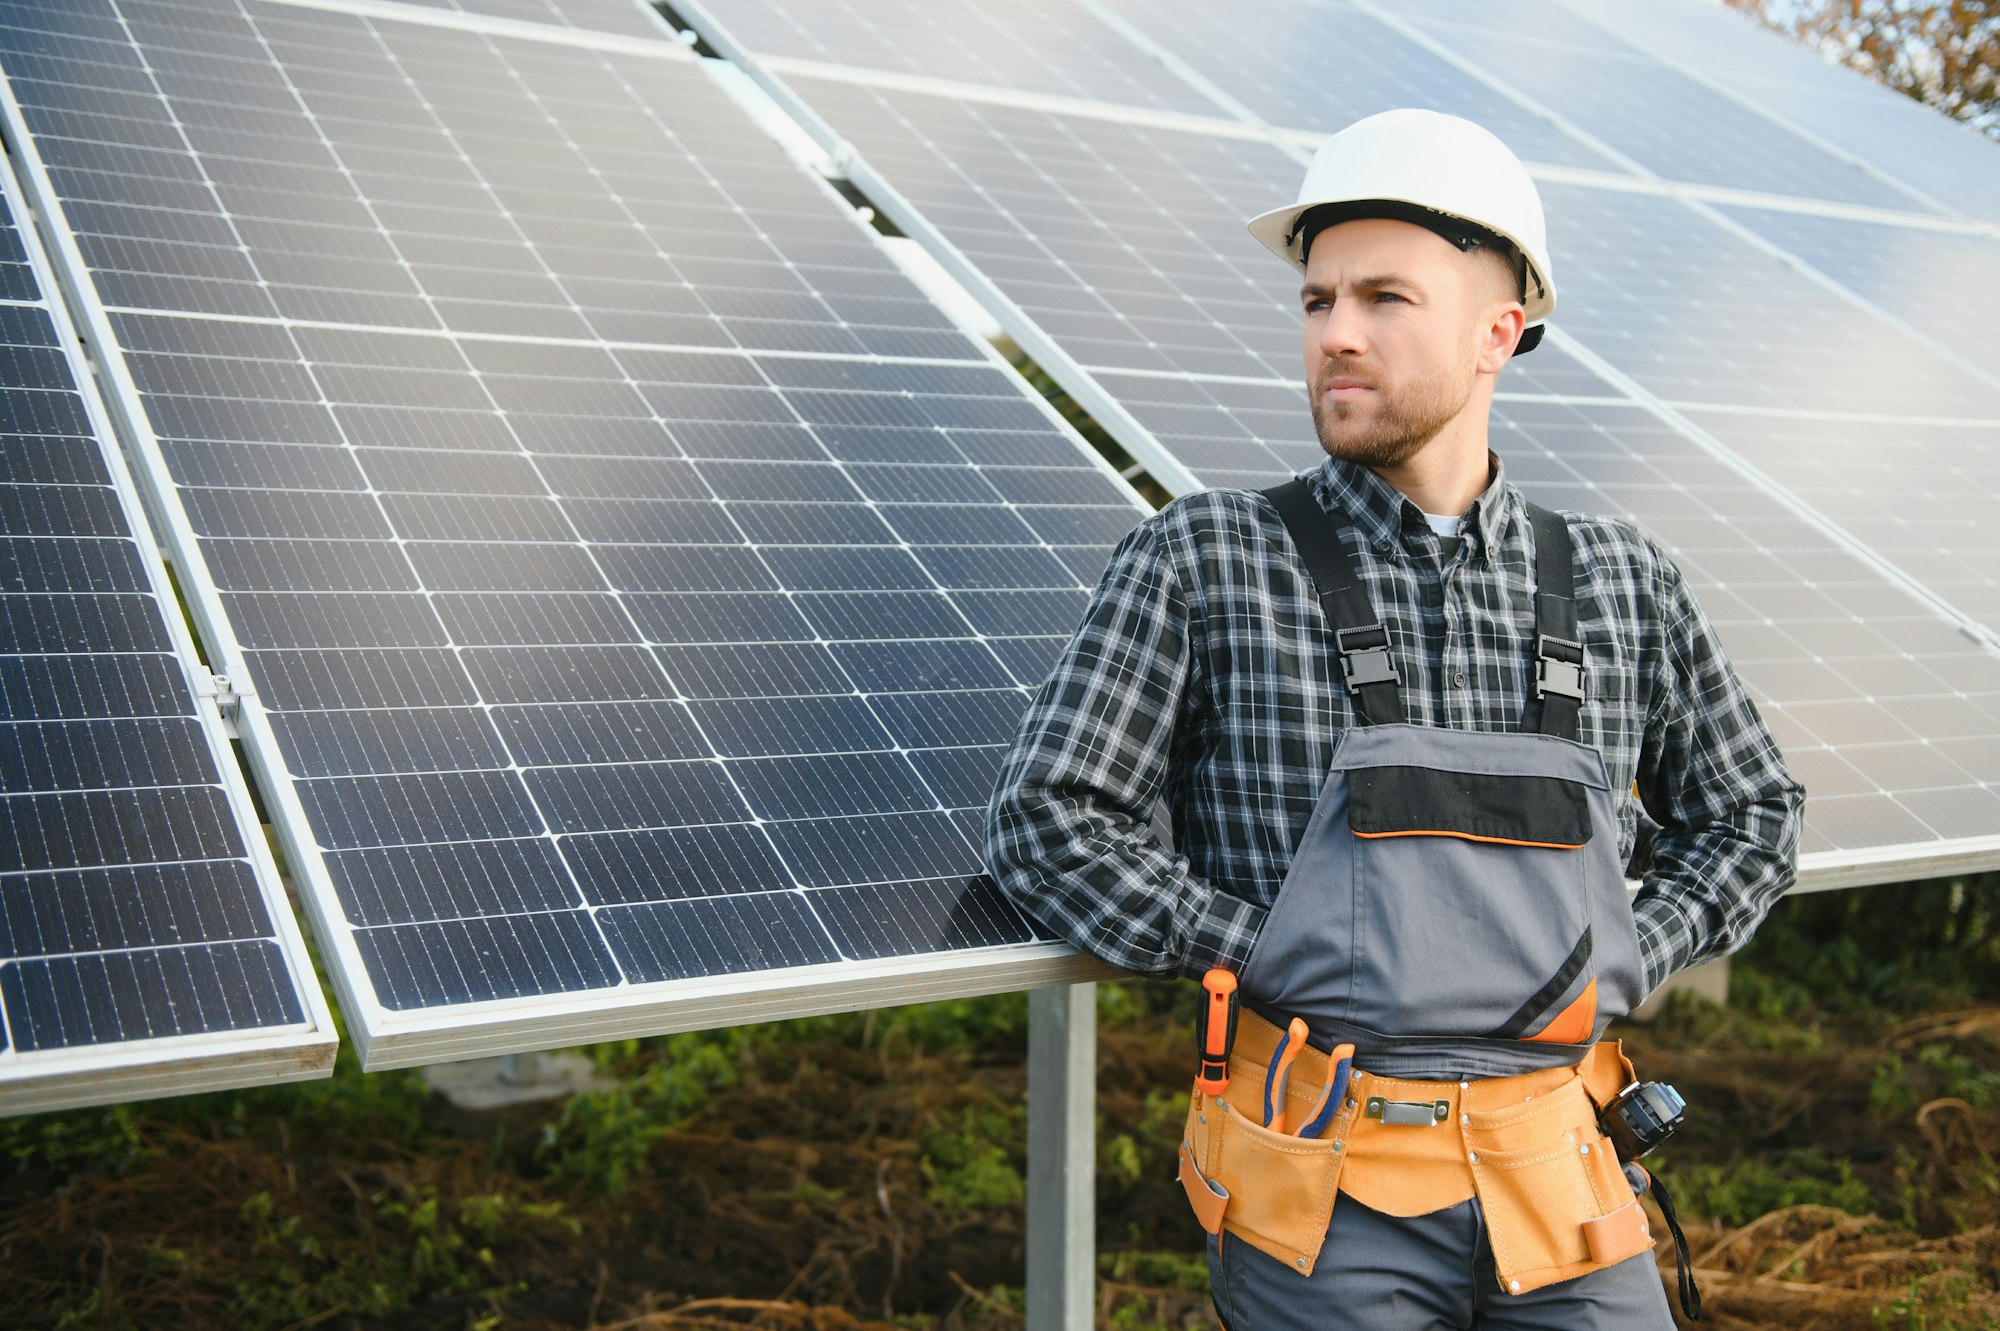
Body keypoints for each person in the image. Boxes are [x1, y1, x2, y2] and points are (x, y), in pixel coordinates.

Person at [984, 108, 1804, 1329]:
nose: (1336, 335)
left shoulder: (1622, 578)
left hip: (1561, 1173)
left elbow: (1751, 812)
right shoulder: (1207, 556)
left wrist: (1628, 943)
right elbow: (1047, 817)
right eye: (1317, 303)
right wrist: (1259, 947)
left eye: (1383, 298)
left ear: (1497, 332)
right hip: (1317, 1182)